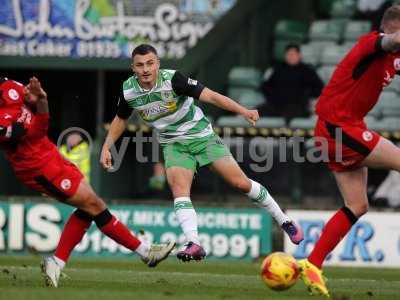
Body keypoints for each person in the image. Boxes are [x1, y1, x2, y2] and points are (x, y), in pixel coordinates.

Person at [100, 44, 304, 262]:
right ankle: (194, 242)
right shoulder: (129, 90)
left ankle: (284, 220)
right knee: (179, 190)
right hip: (173, 144)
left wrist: (243, 111)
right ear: (133, 68)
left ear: (158, 63)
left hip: (201, 137)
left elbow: (212, 96)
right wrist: (106, 146)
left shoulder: (173, 80)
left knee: (241, 183)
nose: (146, 69)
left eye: (150, 63)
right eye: (140, 65)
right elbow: (121, 119)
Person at [0, 77, 175, 287]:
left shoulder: (10, 86)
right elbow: (17, 133)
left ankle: (56, 262)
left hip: (50, 154)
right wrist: (28, 109)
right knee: (94, 205)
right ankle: (146, 252)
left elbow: (39, 127)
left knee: (89, 207)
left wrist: (42, 100)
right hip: (36, 166)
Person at [299, 4, 400, 297]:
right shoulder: (371, 43)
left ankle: (312, 264)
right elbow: (390, 41)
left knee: (357, 205)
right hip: (339, 128)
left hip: (339, 128)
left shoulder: (392, 58)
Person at [259, 44, 323, 122]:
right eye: (288, 54)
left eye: (293, 54)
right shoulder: (277, 69)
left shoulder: (307, 70)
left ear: (299, 55)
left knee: (290, 116)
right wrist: (273, 96)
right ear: (285, 56)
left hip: (298, 105)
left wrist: (306, 95)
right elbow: (265, 86)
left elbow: (319, 87)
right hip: (276, 104)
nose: (291, 57)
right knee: (256, 112)